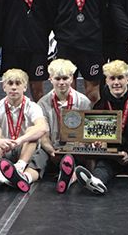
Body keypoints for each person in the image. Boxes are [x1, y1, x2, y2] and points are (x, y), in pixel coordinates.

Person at [68, 60, 128, 195]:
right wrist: (99, 144)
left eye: (120, 78)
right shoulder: (100, 106)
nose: (116, 82)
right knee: (104, 163)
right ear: (106, 81)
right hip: (115, 156)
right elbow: (96, 135)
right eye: (112, 78)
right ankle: (97, 181)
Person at [50, 0, 108, 103]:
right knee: (67, 91)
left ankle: (93, 120)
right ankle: (71, 121)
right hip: (66, 45)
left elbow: (104, 13)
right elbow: (52, 14)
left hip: (92, 45)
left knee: (93, 93)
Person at [0, 69, 49, 192]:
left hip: (24, 149)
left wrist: (20, 140)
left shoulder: (32, 106)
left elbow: (42, 127)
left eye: (18, 83)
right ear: (4, 87)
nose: (14, 87)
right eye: (10, 83)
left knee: (32, 130)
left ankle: (19, 169)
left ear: (25, 87)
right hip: (3, 148)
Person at [35, 59, 92, 193]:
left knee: (81, 156)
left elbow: (87, 132)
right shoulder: (42, 103)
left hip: (75, 149)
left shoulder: (83, 101)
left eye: (65, 78)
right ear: (50, 79)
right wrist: (51, 151)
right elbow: (43, 135)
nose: (61, 82)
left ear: (72, 78)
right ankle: (26, 176)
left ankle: (69, 174)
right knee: (38, 154)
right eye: (57, 78)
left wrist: (78, 147)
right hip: (52, 150)